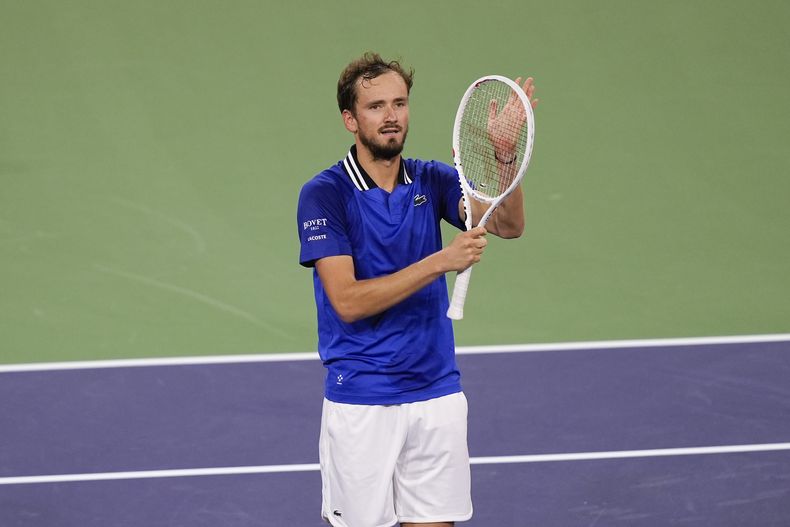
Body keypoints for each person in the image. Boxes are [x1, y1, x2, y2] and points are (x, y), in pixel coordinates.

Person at [297, 52, 538, 527]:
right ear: (350, 119)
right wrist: (441, 262)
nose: (391, 116)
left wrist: (504, 156)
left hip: (436, 392)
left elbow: (507, 224)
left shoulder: (434, 179)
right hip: (364, 399)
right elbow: (347, 301)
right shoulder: (324, 194)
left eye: (399, 103)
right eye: (376, 107)